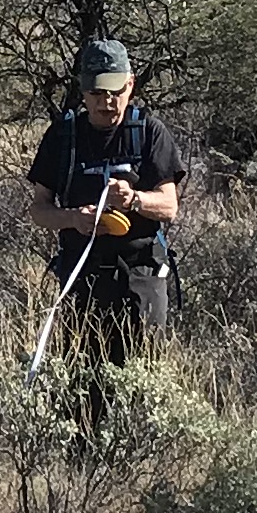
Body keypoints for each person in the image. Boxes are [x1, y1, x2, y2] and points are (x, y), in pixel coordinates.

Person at [26, 38, 187, 364]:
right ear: (83, 91)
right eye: (97, 94)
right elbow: (39, 209)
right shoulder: (63, 136)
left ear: (131, 84)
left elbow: (169, 206)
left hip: (140, 277)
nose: (107, 102)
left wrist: (135, 200)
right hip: (81, 278)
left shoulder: (149, 132)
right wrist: (73, 218)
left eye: (115, 92)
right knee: (81, 382)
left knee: (142, 378)